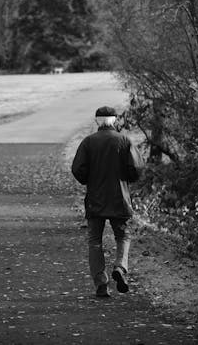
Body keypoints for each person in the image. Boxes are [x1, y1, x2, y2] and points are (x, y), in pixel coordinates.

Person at [71, 106, 143, 297]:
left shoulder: (88, 142)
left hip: (95, 200)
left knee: (95, 241)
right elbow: (136, 169)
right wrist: (125, 178)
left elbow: (78, 169)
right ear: (114, 120)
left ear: (97, 121)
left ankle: (101, 283)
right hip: (120, 199)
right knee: (123, 236)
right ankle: (120, 267)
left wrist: (89, 180)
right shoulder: (124, 140)